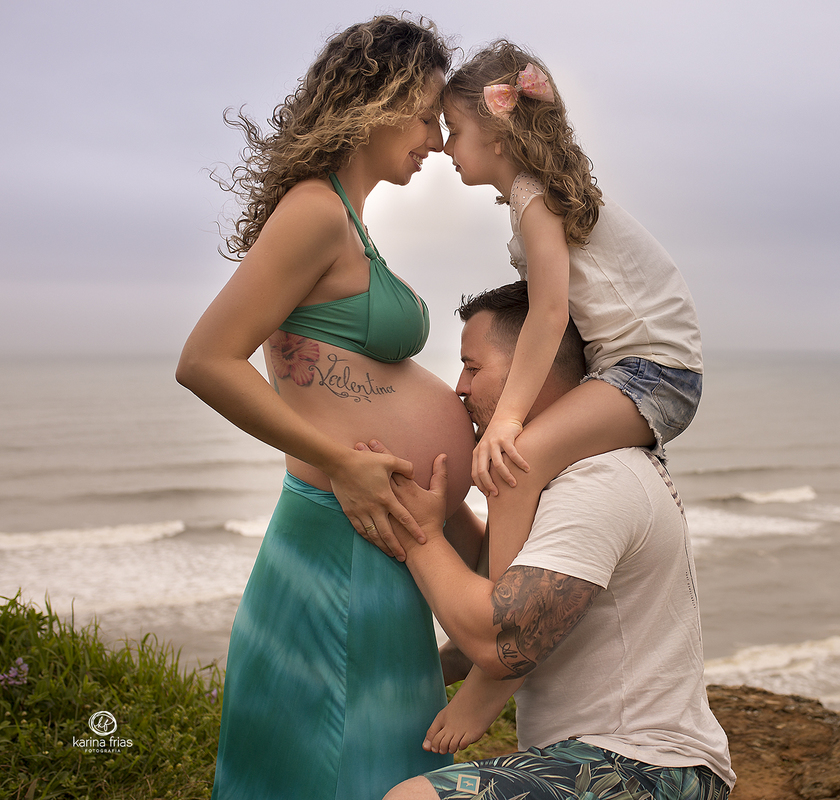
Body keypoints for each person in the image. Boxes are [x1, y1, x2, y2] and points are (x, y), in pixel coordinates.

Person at [175, 15, 479, 800]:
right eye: (425, 115)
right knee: (346, 769)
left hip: (369, 547)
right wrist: (344, 464)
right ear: (378, 101)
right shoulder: (315, 211)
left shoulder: (345, 218)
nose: (437, 141)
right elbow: (206, 360)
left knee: (367, 765)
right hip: (339, 547)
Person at [435, 40, 706, 747]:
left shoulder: (532, 196)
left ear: (495, 132)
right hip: (646, 371)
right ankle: (494, 642)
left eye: (453, 130)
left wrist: (510, 419)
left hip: (649, 371)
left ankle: (495, 666)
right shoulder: (530, 196)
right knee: (520, 470)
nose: (443, 147)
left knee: (511, 464)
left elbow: (550, 313)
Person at [373, 281, 734, 800]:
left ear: (531, 369)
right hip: (599, 755)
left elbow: (505, 640)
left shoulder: (600, 480)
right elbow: (492, 571)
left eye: (473, 367)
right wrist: (436, 503)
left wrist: (421, 534)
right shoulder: (556, 472)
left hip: (650, 767)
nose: (460, 386)